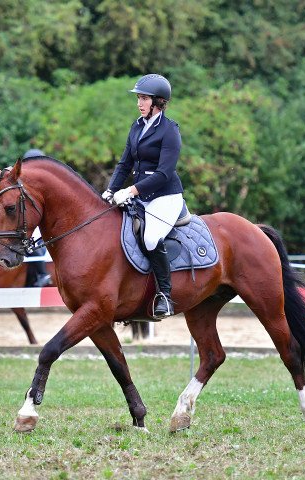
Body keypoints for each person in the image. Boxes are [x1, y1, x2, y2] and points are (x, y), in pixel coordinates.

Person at [101, 74, 183, 320]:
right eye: (138, 98)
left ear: (158, 102)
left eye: (144, 98)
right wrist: (110, 189)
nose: (139, 103)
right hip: (141, 196)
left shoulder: (169, 130)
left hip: (166, 196)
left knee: (149, 238)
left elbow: (163, 173)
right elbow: (124, 163)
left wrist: (131, 191)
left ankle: (165, 297)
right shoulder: (137, 126)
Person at [23, 148, 52, 287]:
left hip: (44, 218)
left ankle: (43, 274)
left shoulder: (46, 179)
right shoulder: (25, 180)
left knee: (33, 242)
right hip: (32, 217)